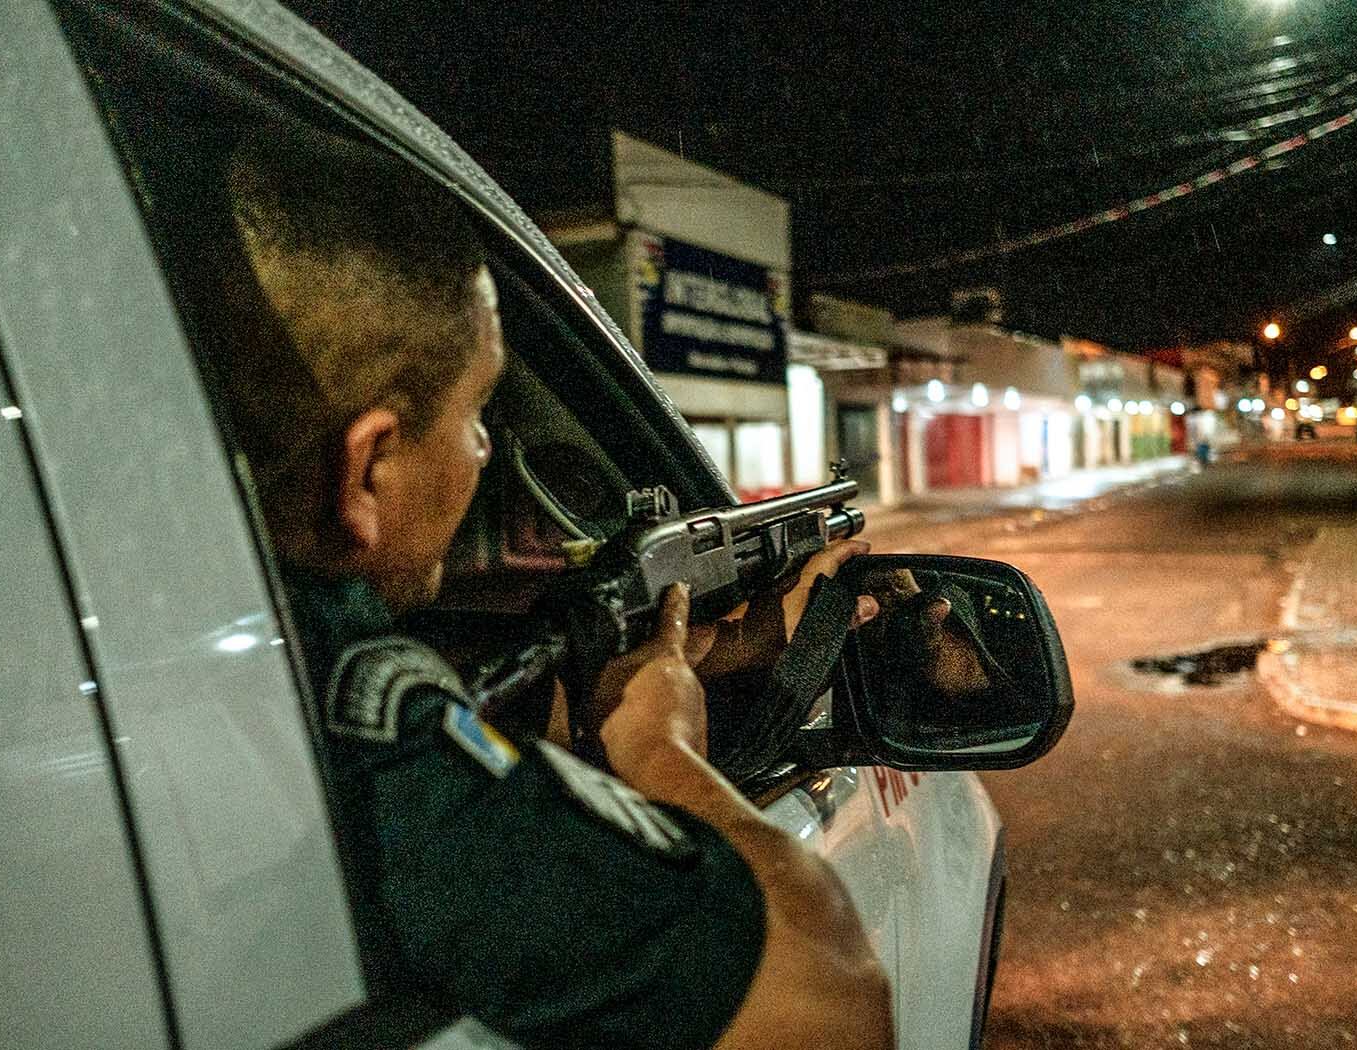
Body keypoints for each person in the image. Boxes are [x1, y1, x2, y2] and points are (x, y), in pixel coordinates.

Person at [201, 130, 893, 1049]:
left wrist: (683, 668)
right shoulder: (370, 721)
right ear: (367, 468)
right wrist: (661, 750)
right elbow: (837, 1002)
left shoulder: (208, 642)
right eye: (476, 414)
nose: (486, 451)